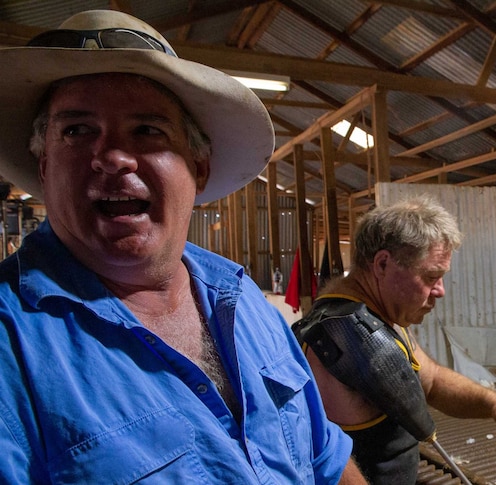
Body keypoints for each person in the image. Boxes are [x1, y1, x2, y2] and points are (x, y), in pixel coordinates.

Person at [0, 10, 365, 484]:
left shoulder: (245, 300)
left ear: (198, 168)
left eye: (148, 130)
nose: (113, 157)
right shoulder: (14, 347)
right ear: (45, 164)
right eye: (77, 130)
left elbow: (326, 462)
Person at [292, 196, 496, 484]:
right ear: (382, 264)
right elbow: (324, 455)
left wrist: (493, 403)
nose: (440, 291)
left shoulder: (375, 319)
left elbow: (431, 380)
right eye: (431, 276)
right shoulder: (337, 341)